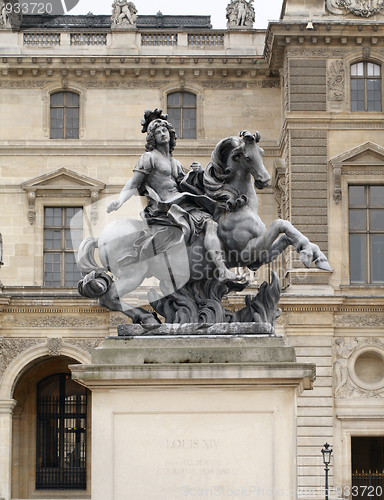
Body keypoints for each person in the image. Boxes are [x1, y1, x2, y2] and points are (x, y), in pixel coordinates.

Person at [107, 110, 243, 282]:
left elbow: (186, 185)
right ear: (152, 138)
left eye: (164, 130)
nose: (162, 134)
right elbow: (133, 183)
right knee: (209, 223)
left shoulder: (175, 163)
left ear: (170, 134)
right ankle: (222, 270)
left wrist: (198, 173)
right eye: (157, 132)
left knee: (214, 216)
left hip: (180, 201)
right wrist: (119, 201)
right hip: (164, 205)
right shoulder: (149, 157)